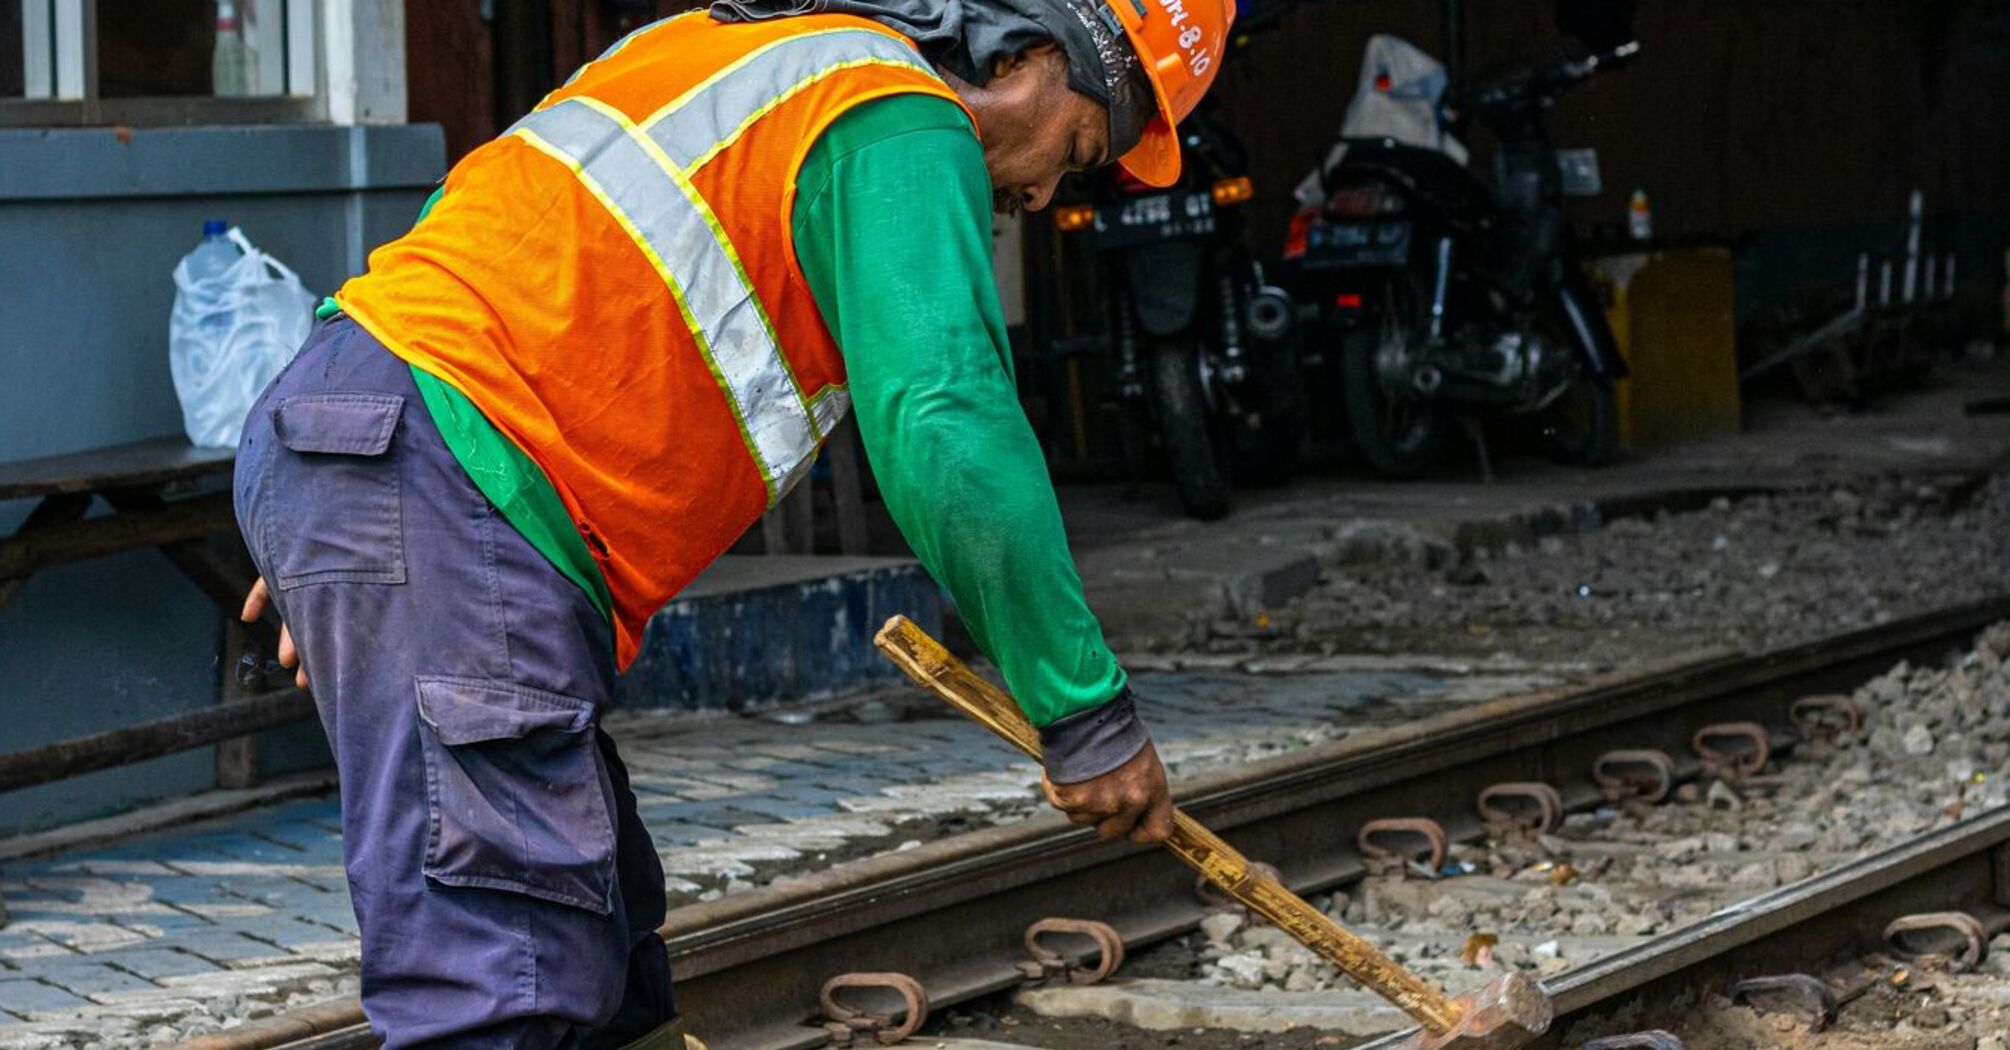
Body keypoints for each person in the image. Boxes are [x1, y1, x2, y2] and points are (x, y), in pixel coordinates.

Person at [232, 0, 1230, 1044]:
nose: (1037, 190)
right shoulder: (895, 115)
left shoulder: (734, 47)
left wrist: (346, 529)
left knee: (597, 954)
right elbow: (948, 423)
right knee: (508, 987)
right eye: (1073, 149)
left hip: (371, 427)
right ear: (1030, 49)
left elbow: (486, 239)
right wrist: (1086, 718)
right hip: (443, 469)